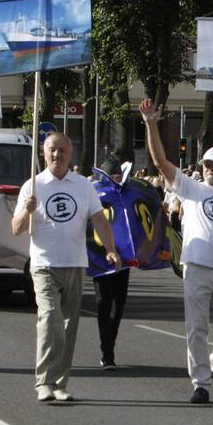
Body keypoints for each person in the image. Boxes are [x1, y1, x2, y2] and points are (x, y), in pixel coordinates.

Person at [140, 99, 213, 404]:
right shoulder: (190, 188)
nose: (208, 169)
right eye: (206, 164)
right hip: (195, 266)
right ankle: (201, 383)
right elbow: (160, 162)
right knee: (196, 328)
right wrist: (151, 124)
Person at [12, 133, 120, 403]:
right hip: (44, 263)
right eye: (52, 150)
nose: (57, 155)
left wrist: (110, 249)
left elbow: (99, 220)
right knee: (50, 319)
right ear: (43, 153)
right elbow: (16, 229)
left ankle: (60, 383)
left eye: (62, 150)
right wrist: (27, 210)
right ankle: (43, 381)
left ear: (70, 155)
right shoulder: (33, 186)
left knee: (69, 326)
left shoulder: (83, 186)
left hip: (75, 262)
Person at [92, 157, 132, 370]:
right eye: (113, 176)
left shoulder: (126, 194)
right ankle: (106, 352)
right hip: (100, 258)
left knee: (118, 306)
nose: (116, 179)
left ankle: (109, 347)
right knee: (103, 303)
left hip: (123, 259)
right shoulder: (94, 192)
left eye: (118, 176)